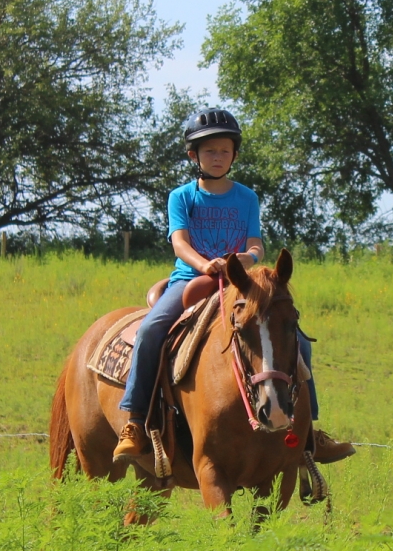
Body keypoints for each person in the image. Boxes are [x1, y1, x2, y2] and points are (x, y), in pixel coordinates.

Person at [112, 109, 354, 466]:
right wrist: (203, 264)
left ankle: (309, 432)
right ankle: (134, 421)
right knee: (151, 330)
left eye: (224, 151)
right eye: (209, 151)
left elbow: (256, 244)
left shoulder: (246, 197)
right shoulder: (182, 197)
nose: (217, 157)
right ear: (193, 156)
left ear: (234, 155)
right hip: (191, 280)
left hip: (240, 285)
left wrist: (248, 259)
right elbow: (179, 242)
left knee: (298, 341)